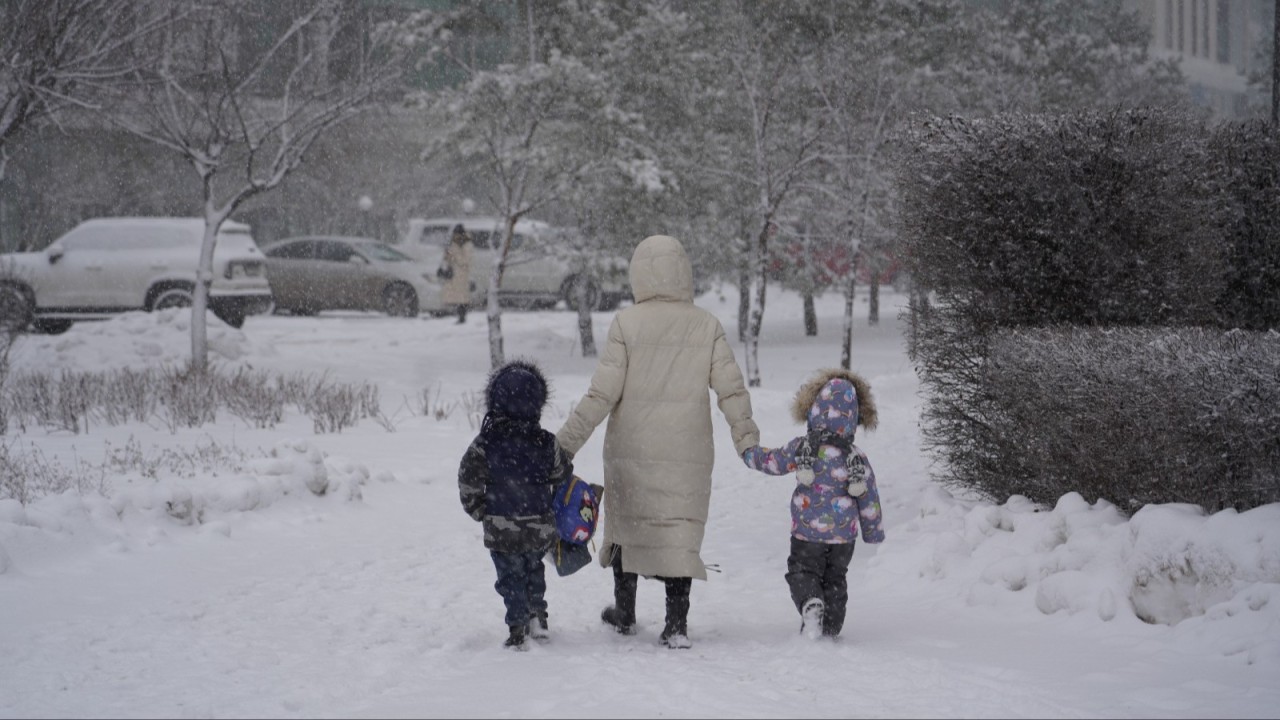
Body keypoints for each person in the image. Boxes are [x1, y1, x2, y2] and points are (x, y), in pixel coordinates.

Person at [555, 234, 759, 649]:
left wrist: (562, 446)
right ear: (683, 271)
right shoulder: (706, 324)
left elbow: (601, 394)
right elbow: (731, 390)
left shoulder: (627, 323)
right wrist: (747, 440)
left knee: (628, 525)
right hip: (688, 448)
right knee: (678, 531)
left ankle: (625, 613)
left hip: (633, 448)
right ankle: (676, 624)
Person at [740, 368, 885, 640]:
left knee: (802, 571)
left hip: (808, 533)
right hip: (843, 539)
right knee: (835, 579)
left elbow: (773, 461)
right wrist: (873, 531)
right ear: (854, 417)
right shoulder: (857, 457)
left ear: (814, 409)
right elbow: (869, 497)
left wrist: (750, 454)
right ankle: (830, 627)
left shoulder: (803, 447)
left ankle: (810, 603)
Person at [458, 359, 574, 651]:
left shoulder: (486, 443)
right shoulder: (546, 442)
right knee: (534, 570)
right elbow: (561, 473)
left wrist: (479, 509)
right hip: (538, 525)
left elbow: (468, 477)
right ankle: (538, 616)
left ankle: (517, 625)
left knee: (510, 577)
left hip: (501, 527)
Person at [441, 224, 473, 324]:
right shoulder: (454, 244)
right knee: (456, 296)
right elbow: (449, 259)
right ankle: (459, 315)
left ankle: (462, 316)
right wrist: (448, 256)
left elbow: (465, 260)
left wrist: (455, 253)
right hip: (455, 274)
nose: (455, 237)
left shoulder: (467, 245)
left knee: (462, 297)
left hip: (463, 275)